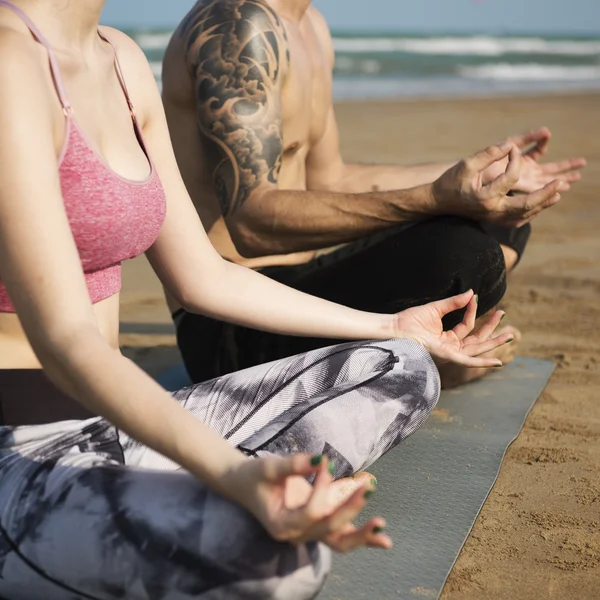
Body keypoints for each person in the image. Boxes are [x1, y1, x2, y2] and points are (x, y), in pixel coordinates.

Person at [0, 1, 513, 598]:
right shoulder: (11, 61)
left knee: (403, 367)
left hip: (112, 426)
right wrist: (235, 474)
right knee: (282, 564)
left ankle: (254, 490)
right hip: (20, 444)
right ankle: (247, 492)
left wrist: (394, 323)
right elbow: (66, 341)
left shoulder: (120, 60)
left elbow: (201, 277)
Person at [162, 0, 586, 388]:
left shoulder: (308, 25)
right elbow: (251, 223)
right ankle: (425, 356)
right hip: (236, 325)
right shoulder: (240, 26)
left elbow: (331, 180)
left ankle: (427, 343)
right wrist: (437, 197)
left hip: (308, 281)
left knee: (502, 213)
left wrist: (473, 176)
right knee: (464, 255)